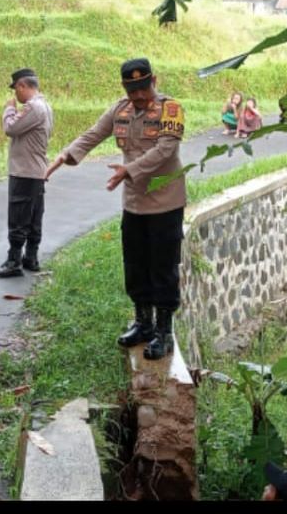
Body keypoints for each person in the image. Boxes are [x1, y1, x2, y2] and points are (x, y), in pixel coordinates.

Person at [43, 58, 187, 360]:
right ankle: (143, 323)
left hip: (165, 202)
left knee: (163, 266)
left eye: (144, 88)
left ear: (154, 81)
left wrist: (128, 170)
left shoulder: (171, 109)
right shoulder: (120, 110)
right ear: (124, 88)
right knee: (135, 264)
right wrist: (66, 155)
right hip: (134, 203)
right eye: (132, 91)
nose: (139, 96)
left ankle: (164, 332)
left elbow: (165, 150)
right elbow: (93, 134)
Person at [0, 67, 55, 278]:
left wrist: (9, 109)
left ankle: (13, 261)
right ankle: (31, 257)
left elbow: (10, 128)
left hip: (24, 171)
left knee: (18, 217)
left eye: (16, 89)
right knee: (34, 215)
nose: (15, 95)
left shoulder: (33, 107)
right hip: (36, 171)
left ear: (22, 85)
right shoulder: (46, 106)